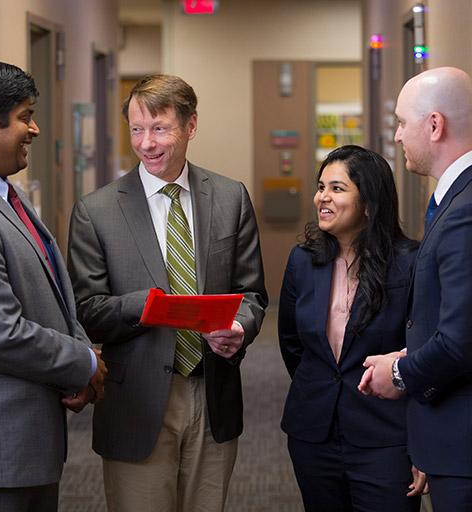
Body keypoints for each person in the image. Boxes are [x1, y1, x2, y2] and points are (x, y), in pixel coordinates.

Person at [67, 74, 267, 512]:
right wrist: (151, 305)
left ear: (190, 125)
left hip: (213, 391)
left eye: (159, 128)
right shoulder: (96, 211)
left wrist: (239, 327)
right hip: (136, 398)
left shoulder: (230, 198)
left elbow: (252, 292)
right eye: (137, 129)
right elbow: (86, 310)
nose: (146, 143)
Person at [0, 57, 107, 512]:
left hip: (28, 446)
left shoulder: (9, 193)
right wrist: (81, 362)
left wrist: (83, 356)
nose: (35, 129)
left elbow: (56, 296)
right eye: (25, 117)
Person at [278, 145, 425, 512]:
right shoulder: (303, 261)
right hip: (314, 432)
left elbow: (422, 352)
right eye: (321, 186)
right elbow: (292, 343)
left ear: (369, 202)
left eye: (337, 188)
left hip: (386, 436)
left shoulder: (409, 263)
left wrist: (424, 444)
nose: (322, 198)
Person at [358, 67, 472, 511]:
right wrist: (409, 354)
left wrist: (401, 375)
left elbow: (462, 341)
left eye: (403, 123)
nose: (399, 136)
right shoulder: (451, 199)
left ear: (435, 125)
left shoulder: (464, 211)